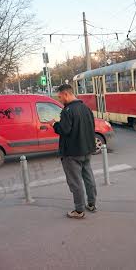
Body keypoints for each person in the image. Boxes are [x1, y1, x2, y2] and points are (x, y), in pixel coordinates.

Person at [50, 84, 97, 219]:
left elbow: (64, 130)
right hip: (87, 150)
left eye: (60, 97)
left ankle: (79, 210)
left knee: (75, 182)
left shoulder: (67, 111)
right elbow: (91, 128)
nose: (59, 100)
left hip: (72, 153)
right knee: (88, 177)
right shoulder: (86, 108)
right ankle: (92, 204)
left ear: (66, 94)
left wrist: (54, 124)